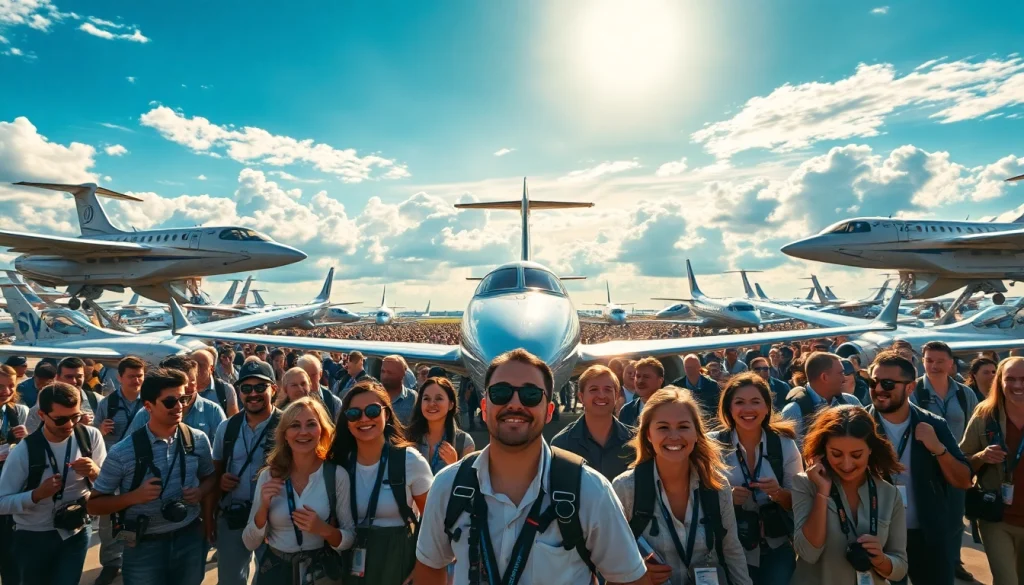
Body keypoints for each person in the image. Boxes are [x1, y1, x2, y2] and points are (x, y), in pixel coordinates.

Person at [413, 348, 650, 585]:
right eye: (501, 392)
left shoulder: (590, 490)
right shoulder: (448, 485)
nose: (515, 403)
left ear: (549, 411)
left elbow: (628, 578)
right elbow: (430, 568)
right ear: (484, 408)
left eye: (531, 395)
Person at [88, 367, 217, 585]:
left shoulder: (198, 440)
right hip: (143, 545)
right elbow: (94, 505)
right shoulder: (122, 452)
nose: (179, 407)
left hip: (190, 540)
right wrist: (133, 497)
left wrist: (200, 492)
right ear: (148, 406)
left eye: (183, 399)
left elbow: (210, 477)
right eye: (170, 402)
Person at [612, 386, 752, 585]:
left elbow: (732, 551)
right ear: (648, 434)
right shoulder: (625, 488)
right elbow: (611, 558)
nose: (674, 436)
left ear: (696, 433)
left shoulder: (717, 486)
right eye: (663, 427)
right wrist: (636, 571)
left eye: (683, 427)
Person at [865, 350, 972, 585]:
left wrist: (938, 449)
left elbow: (964, 480)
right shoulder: (859, 426)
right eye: (873, 382)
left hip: (927, 537)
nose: (879, 389)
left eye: (888, 383)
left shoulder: (932, 424)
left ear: (910, 388)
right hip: (877, 538)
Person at [0, 382, 106, 585]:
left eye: (75, 417)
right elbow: (2, 502)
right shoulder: (24, 451)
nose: (69, 425)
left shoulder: (90, 437)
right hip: (34, 536)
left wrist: (95, 472)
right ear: (42, 415)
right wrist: (36, 495)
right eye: (60, 419)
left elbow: (107, 485)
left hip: (76, 530)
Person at [242, 397, 356, 584]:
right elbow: (249, 542)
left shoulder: (336, 475)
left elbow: (349, 537)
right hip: (276, 572)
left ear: (322, 431)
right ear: (285, 434)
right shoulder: (269, 476)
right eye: (295, 425)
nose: (303, 432)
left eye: (311, 424)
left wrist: (324, 530)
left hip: (320, 572)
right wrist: (263, 508)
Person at [329, 379, 432, 584]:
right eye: (354, 413)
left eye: (373, 411)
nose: (364, 419)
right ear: (347, 421)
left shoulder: (409, 461)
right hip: (350, 570)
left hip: (398, 568)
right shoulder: (339, 465)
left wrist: (423, 567)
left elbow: (434, 521)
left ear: (387, 414)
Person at [792, 405, 908, 584]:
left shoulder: (889, 494)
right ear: (824, 450)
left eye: (856, 455)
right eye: (836, 454)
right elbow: (808, 553)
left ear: (870, 449)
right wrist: (822, 493)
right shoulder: (805, 485)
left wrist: (881, 560)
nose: (846, 464)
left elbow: (900, 568)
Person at [714, 373, 801, 585]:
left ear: (767, 407)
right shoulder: (712, 445)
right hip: (730, 546)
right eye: (739, 402)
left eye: (755, 402)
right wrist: (727, 498)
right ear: (729, 408)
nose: (748, 409)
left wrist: (778, 493)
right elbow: (697, 499)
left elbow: (800, 501)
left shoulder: (784, 444)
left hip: (776, 545)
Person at [911, 340, 979, 581]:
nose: (934, 366)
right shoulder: (914, 391)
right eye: (929, 360)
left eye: (940, 361)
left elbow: (974, 427)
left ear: (951, 364)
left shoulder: (964, 394)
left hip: (955, 466)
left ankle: (953, 562)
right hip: (924, 466)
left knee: (955, 519)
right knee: (924, 519)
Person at [212, 360, 281, 585]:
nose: (253, 394)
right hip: (234, 516)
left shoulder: (287, 425)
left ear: (274, 389)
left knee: (271, 580)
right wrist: (220, 481)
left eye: (260, 387)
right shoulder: (227, 427)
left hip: (275, 519)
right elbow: (215, 470)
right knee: (230, 580)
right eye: (246, 388)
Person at [960, 356, 1024, 585]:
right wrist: (982, 457)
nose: (1017, 385)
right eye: (1011, 379)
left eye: (1023, 379)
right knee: (1007, 580)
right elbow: (962, 460)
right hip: (996, 516)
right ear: (1000, 381)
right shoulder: (985, 415)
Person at [91, 355, 147, 585]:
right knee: (108, 519)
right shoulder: (108, 403)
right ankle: (112, 562)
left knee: (139, 514)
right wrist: (100, 428)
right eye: (131, 376)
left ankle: (136, 558)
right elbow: (94, 434)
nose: (136, 380)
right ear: (120, 377)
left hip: (141, 466)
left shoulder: (150, 401)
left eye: (140, 376)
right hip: (114, 467)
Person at [552, 364, 636, 482]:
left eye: (607, 389)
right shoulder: (562, 445)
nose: (601, 395)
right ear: (581, 397)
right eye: (594, 389)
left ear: (616, 396)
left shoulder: (635, 442)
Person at [127, 355, 227, 440]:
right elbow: (129, 446)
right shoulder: (146, 413)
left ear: (196, 381)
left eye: (190, 382)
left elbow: (224, 449)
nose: (184, 388)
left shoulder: (212, 411)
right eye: (177, 384)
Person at [781, 352, 862, 439]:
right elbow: (793, 447)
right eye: (840, 373)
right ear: (824, 377)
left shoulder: (851, 402)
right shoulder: (794, 411)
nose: (843, 379)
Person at [405, 377, 475, 475]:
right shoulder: (406, 438)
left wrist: (454, 465)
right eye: (426, 399)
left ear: (451, 405)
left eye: (439, 398)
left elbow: (467, 481)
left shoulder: (464, 442)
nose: (432, 404)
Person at [0, 364, 30, 584]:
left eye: (11, 386)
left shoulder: (18, 412)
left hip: (9, 491)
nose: (7, 391)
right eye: (0, 386)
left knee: (11, 554)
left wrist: (24, 440)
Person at [27, 357, 97, 432]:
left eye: (79, 376)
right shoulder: (43, 402)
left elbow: (100, 435)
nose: (74, 381)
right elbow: (31, 433)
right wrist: (78, 426)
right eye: (69, 377)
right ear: (57, 378)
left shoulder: (95, 400)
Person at [670, 353, 721, 419]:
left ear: (699, 367)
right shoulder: (676, 386)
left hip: (708, 421)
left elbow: (718, 408)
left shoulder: (712, 385)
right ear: (684, 368)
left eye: (693, 367)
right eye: (688, 368)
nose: (690, 370)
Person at [193, 348, 239, 417]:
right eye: (193, 364)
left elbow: (233, 419)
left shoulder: (225, 389)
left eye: (201, 365)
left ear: (211, 369)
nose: (196, 368)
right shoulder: (183, 388)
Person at [621, 357, 664, 427]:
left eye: (646, 377)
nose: (640, 381)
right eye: (638, 376)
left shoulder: (671, 408)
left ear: (660, 381)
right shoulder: (627, 411)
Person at [296, 354, 342, 422]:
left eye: (313, 375)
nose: (309, 379)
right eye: (305, 375)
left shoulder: (334, 403)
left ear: (320, 374)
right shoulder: (290, 400)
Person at [379, 355, 418, 426]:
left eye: (390, 373)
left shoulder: (412, 397)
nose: (385, 376)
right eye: (383, 371)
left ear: (403, 373)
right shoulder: (372, 395)